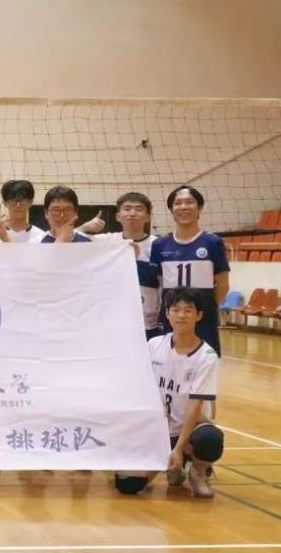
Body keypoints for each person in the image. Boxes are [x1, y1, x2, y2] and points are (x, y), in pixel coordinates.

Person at [113, 288, 223, 499]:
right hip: (160, 429)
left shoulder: (206, 356)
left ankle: (198, 471)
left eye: (188, 310)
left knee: (210, 439)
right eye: (176, 309)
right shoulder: (154, 345)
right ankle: (174, 470)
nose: (181, 315)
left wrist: (178, 448)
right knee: (127, 484)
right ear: (167, 313)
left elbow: (195, 407)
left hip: (191, 430)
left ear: (199, 315)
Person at [150, 186, 230, 354]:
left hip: (203, 319)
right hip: (171, 319)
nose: (184, 207)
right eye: (178, 203)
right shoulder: (159, 245)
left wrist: (203, 309)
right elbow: (160, 284)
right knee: (168, 362)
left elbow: (223, 285)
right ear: (171, 210)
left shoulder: (213, 242)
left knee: (204, 362)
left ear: (199, 208)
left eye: (189, 202)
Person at [92, 192, 161, 339]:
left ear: (147, 217)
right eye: (127, 208)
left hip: (148, 324)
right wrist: (84, 228)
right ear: (118, 216)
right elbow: (69, 242)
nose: (132, 213)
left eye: (139, 209)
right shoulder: (105, 241)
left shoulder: (158, 245)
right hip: (112, 323)